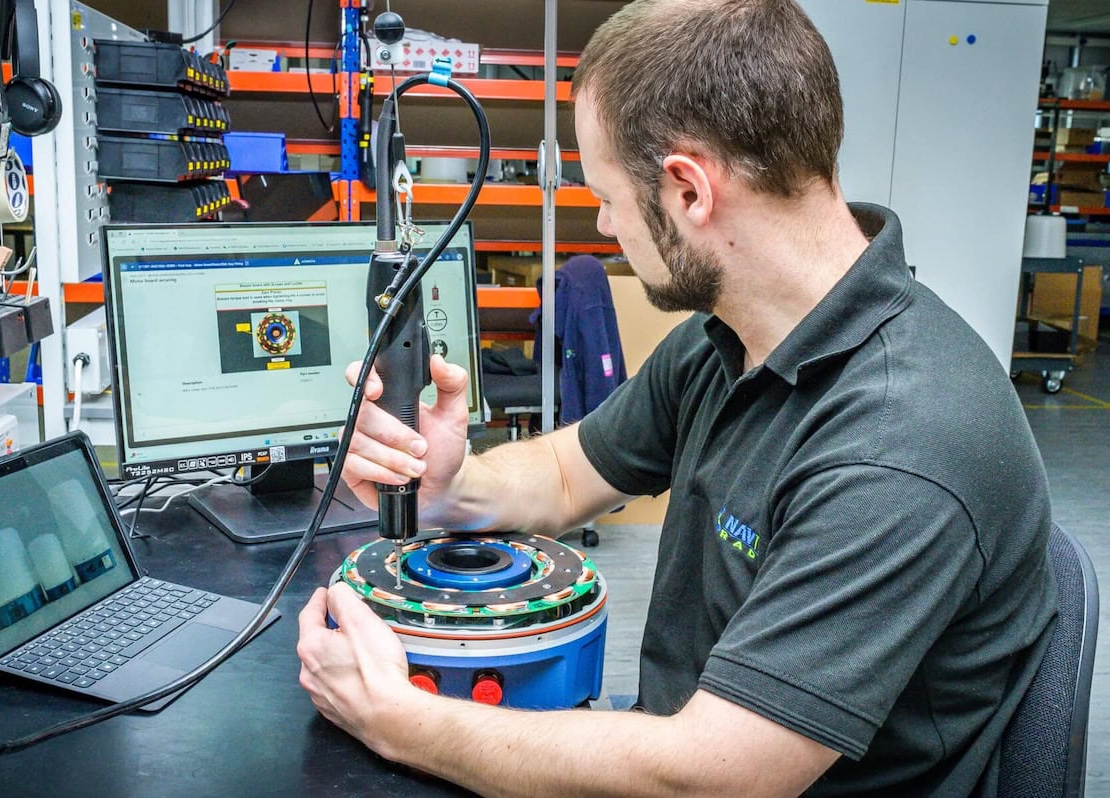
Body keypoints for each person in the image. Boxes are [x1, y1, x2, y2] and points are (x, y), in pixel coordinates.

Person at [296, 0, 1057, 795]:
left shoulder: (901, 442)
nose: (602, 224)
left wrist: (395, 718)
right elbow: (567, 475)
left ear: (689, 189)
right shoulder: (730, 337)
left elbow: (715, 777)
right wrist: (452, 479)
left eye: (607, 196)